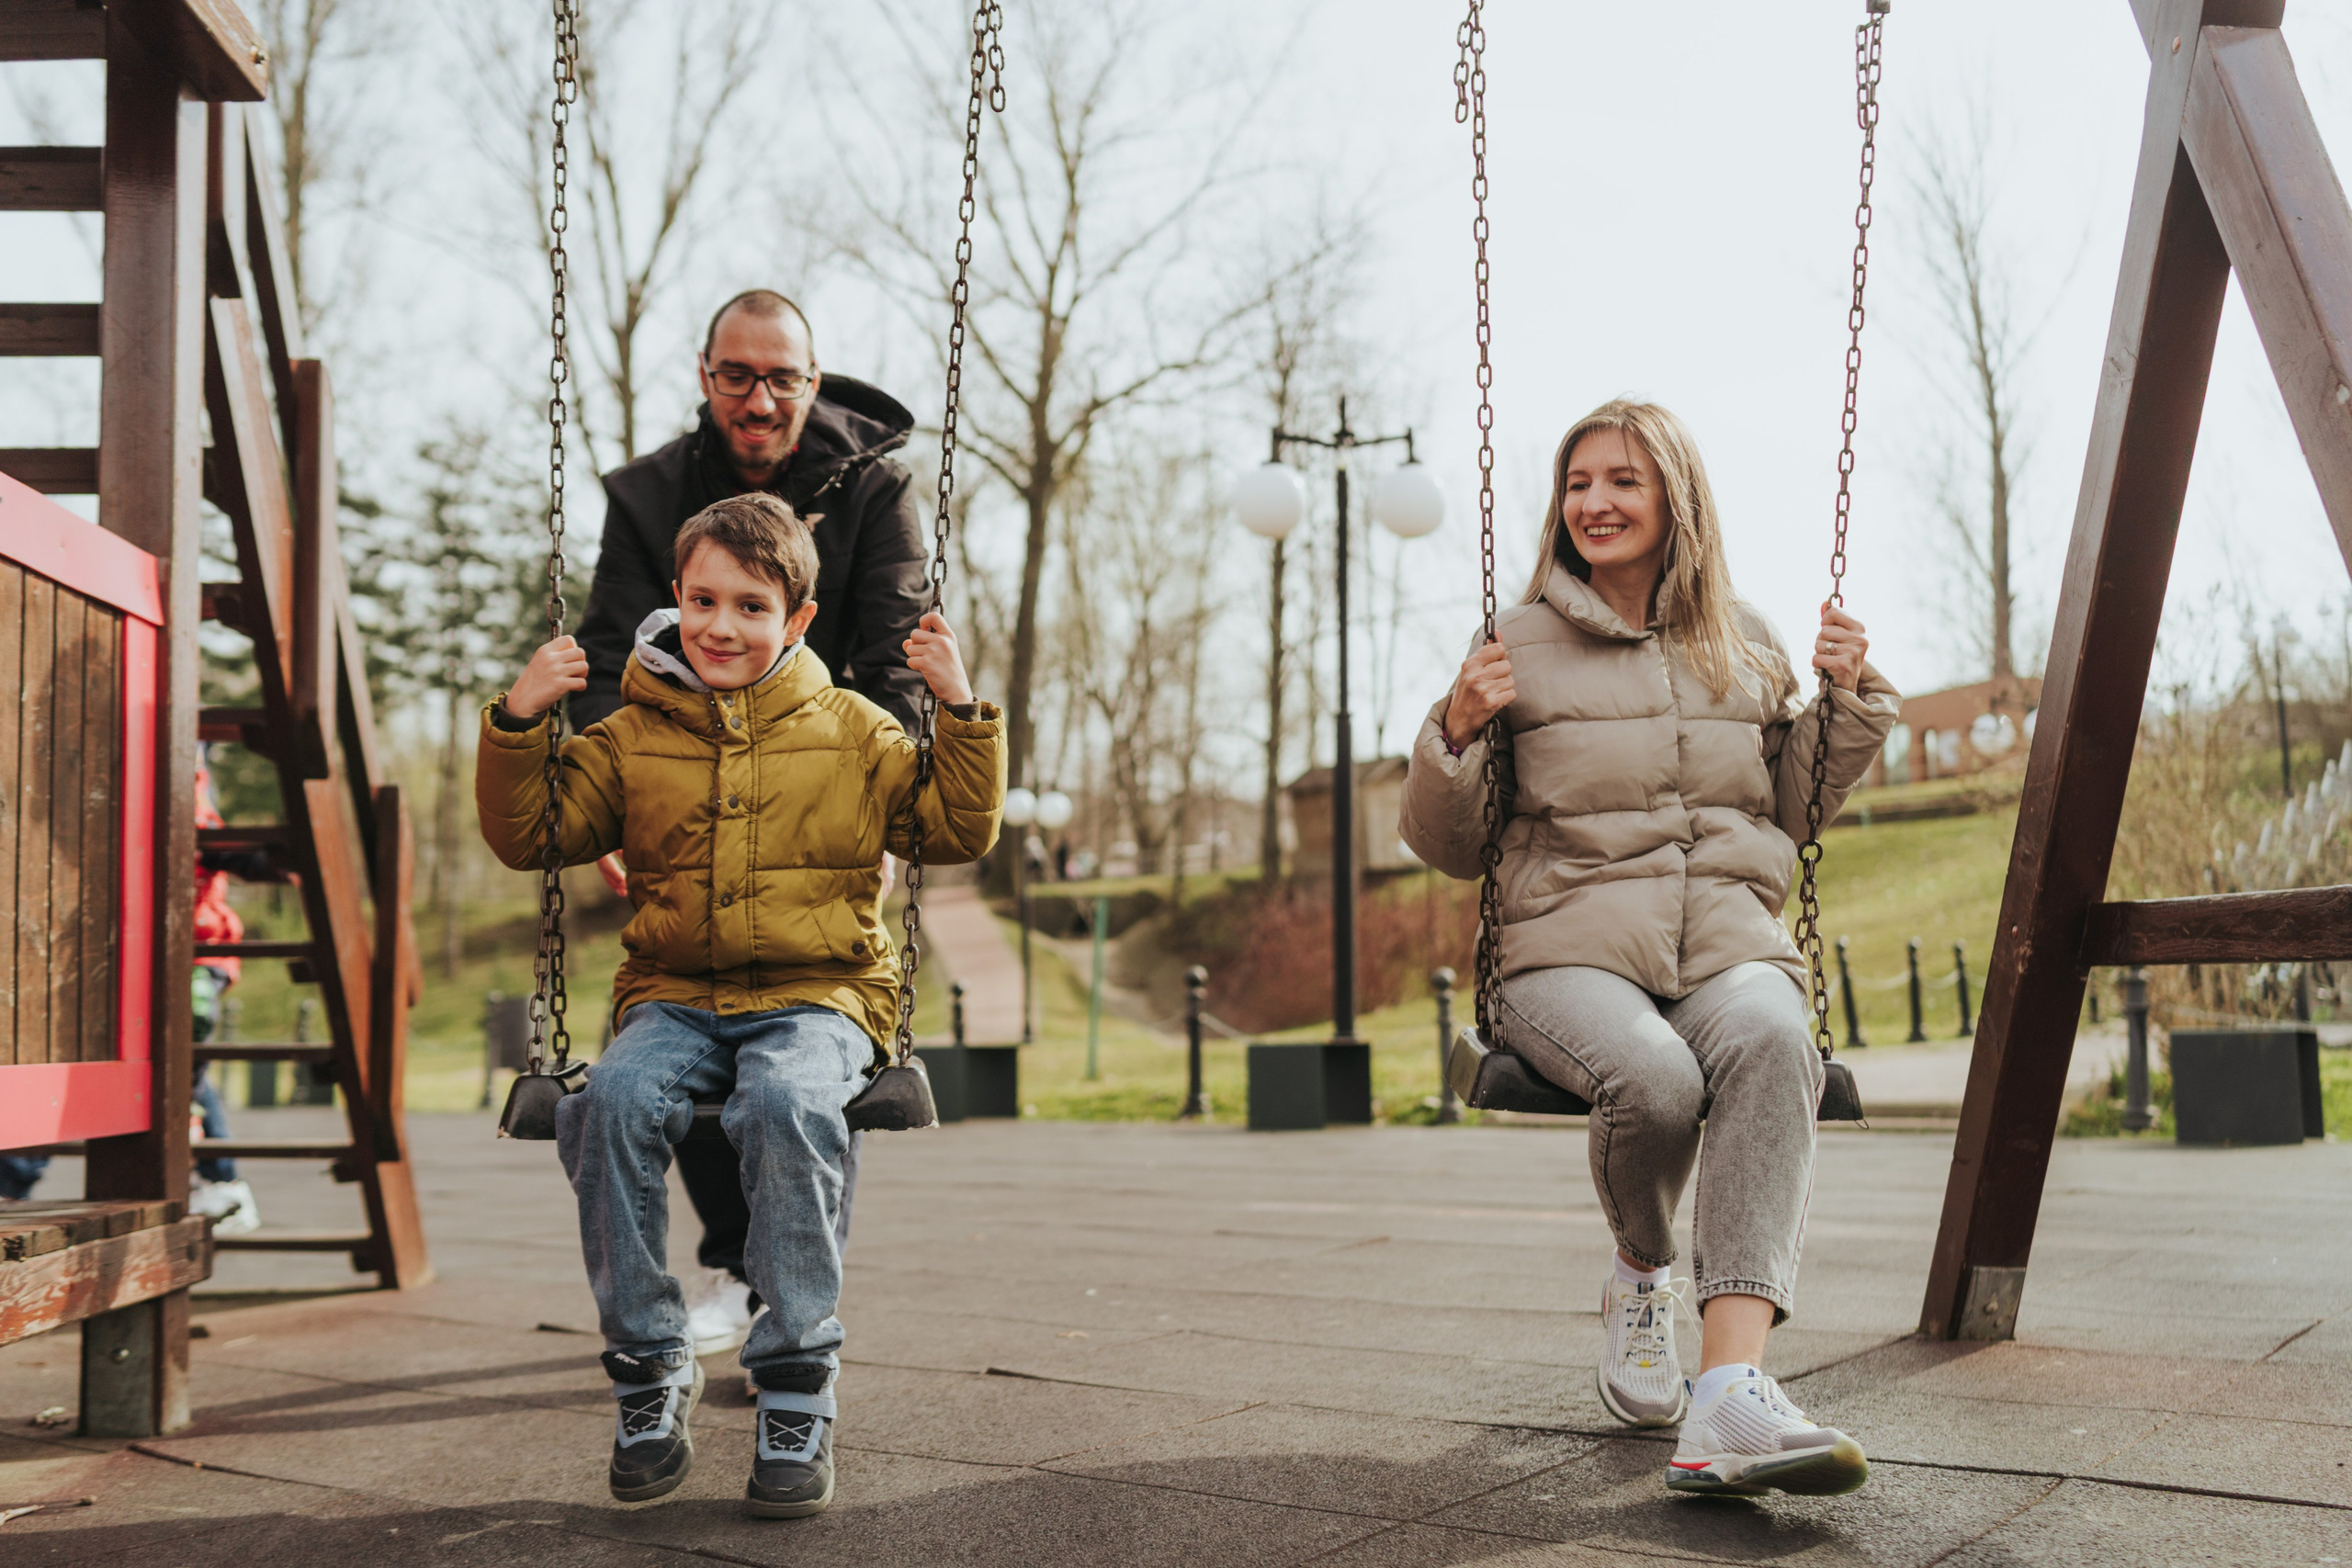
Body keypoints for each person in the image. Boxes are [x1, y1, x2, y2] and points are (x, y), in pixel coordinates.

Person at [1399, 400, 1897, 1499]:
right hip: (1566, 949)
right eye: (1579, 483)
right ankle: (1640, 1270)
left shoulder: (1747, 638)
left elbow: (1792, 806)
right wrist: (1456, 732)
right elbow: (1448, 846)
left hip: (1722, 940)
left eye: (1623, 481)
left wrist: (1849, 701)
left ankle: (1728, 1397)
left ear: (1676, 498)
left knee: (1776, 1042)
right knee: (1657, 1082)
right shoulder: (1512, 642)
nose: (1596, 503)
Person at [479, 493, 1004, 1517]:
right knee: (607, 1107)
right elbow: (533, 834)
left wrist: (962, 710)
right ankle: (649, 1365)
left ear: (796, 619)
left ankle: (797, 1383)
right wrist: (519, 718)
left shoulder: (857, 727)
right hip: (674, 995)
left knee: (786, 1108)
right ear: (676, 599)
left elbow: (951, 832)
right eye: (705, 600)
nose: (723, 626)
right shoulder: (630, 736)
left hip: (822, 992)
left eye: (752, 605)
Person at [572, 288, 932, 1356]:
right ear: (704, 376)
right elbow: (608, 658)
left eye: (781, 377)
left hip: (823, 782)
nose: (759, 398)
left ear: (812, 384)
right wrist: (609, 807)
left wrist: (881, 809)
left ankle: (787, 1288)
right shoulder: (647, 498)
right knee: (677, 1019)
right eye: (737, 375)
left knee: (797, 1069)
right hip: (683, 784)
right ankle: (738, 1263)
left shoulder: (875, 489)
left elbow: (899, 649)